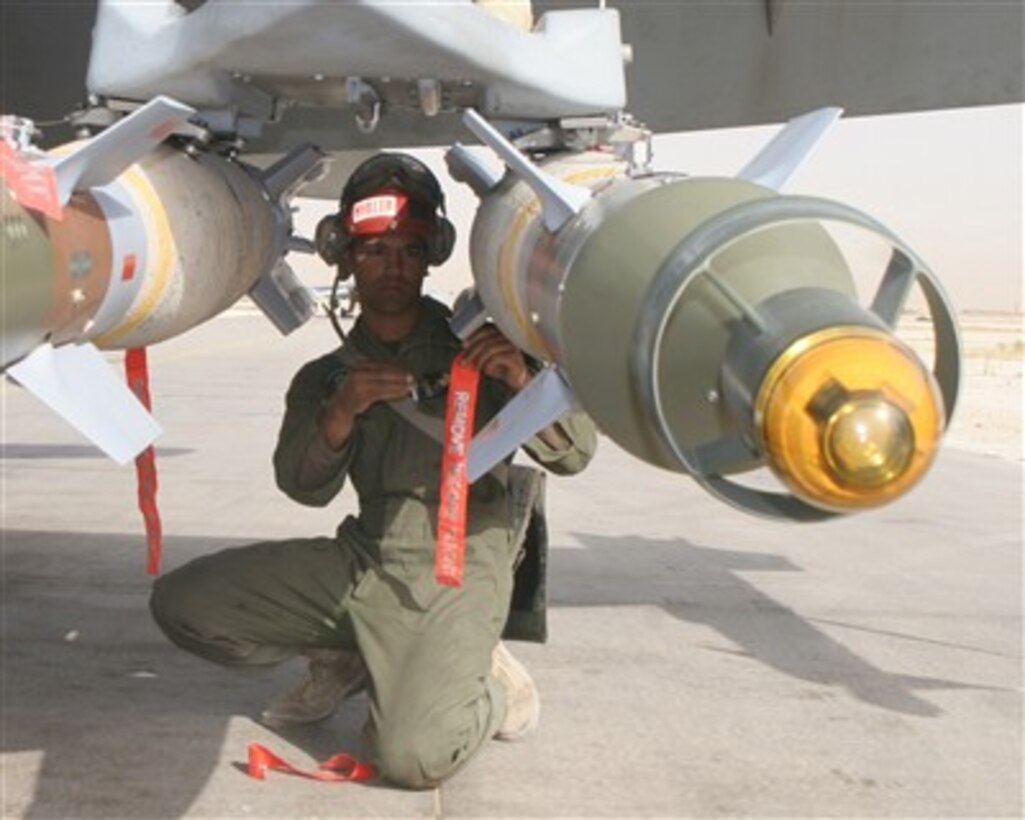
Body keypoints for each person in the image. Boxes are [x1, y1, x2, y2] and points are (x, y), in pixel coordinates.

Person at [150, 152, 597, 789]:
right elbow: (303, 488)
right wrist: (340, 412)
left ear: (431, 255)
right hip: (366, 559)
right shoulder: (326, 376)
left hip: (460, 565)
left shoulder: (485, 347)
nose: (392, 266)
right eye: (374, 250)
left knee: (412, 758)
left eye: (409, 250)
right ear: (345, 256)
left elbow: (576, 453)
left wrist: (523, 380)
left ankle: (489, 684)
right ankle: (351, 651)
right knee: (184, 602)